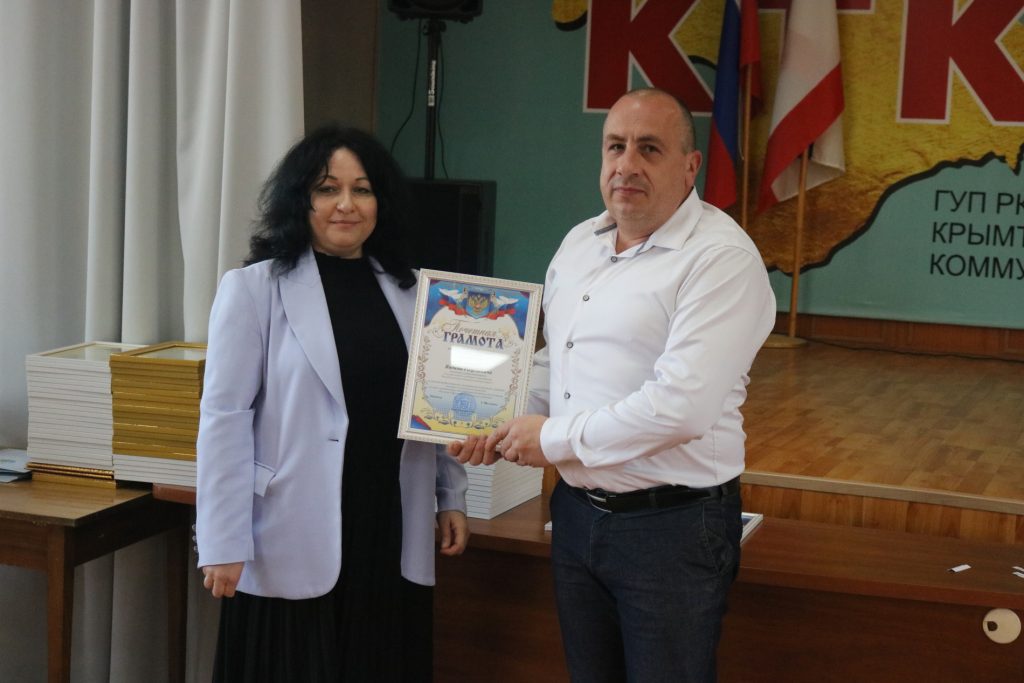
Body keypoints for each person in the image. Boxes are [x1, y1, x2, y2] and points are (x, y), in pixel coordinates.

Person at [450, 88, 776, 682]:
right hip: (576, 516)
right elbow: (556, 363)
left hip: (671, 529)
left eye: (649, 149)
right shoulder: (580, 243)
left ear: (690, 166)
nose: (627, 164)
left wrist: (549, 439)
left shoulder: (720, 259)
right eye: (615, 147)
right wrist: (493, 419)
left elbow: (679, 408)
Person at [196, 124, 469, 682]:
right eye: (327, 188)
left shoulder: (418, 293)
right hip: (289, 523)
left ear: (380, 202)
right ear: (301, 200)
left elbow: (438, 406)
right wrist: (222, 540)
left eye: (362, 189)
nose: (346, 204)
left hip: (387, 522)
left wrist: (451, 495)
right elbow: (224, 421)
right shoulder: (253, 289)